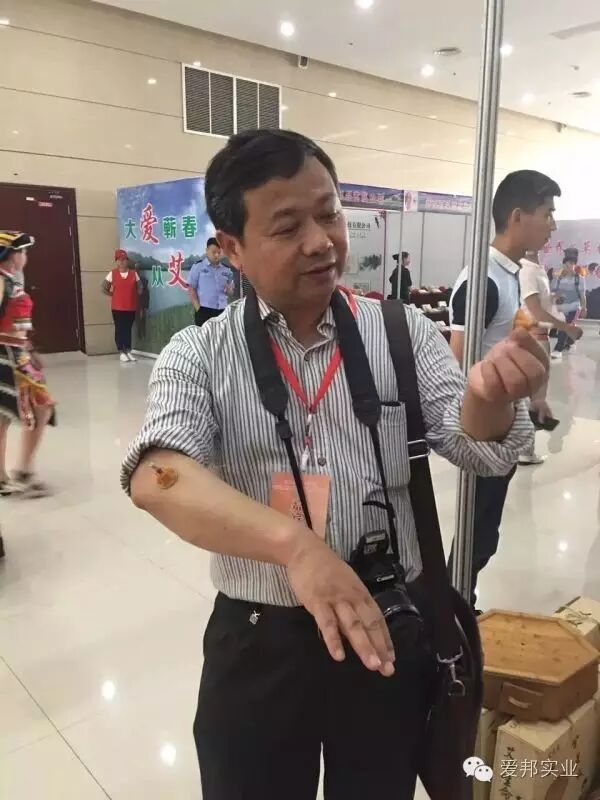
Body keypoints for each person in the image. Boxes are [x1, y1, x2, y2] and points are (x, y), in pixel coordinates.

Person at [122, 130, 542, 800]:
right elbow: (157, 477)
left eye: (330, 214)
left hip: (387, 624)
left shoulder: (401, 333)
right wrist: (296, 548)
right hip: (259, 640)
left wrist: (489, 397)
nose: (321, 241)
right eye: (288, 226)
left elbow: (478, 447)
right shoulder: (197, 355)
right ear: (232, 247)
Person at [449, 169, 560, 607]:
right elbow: (457, 364)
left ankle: (461, 601)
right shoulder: (484, 280)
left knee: (484, 532)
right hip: (482, 434)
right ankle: (454, 610)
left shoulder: (512, 274)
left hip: (504, 427)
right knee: (475, 532)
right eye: (546, 213)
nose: (552, 225)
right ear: (517, 216)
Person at [0, 231, 55, 497]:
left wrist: (28, 348)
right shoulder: (1, 281)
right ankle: (8, 477)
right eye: (22, 251)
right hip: (5, 355)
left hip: (17, 354)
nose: (25, 256)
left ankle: (22, 470)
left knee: (40, 407)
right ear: (11, 255)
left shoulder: (11, 280)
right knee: (4, 417)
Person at [517, 250, 582, 465]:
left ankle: (526, 447)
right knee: (534, 395)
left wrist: (551, 298)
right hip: (534, 334)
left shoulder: (536, 267)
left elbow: (537, 303)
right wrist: (567, 328)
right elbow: (535, 310)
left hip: (537, 334)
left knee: (534, 394)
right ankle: (525, 449)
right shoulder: (527, 269)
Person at [102, 249, 142, 362]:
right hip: (117, 308)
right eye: (120, 260)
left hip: (131, 307)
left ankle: (128, 350)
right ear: (117, 261)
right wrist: (113, 295)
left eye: (125, 259)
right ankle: (121, 351)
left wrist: (135, 294)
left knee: (128, 329)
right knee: (120, 329)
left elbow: (140, 287)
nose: (123, 262)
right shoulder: (112, 273)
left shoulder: (134, 273)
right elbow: (104, 288)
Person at [187, 237, 233, 326]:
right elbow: (191, 290)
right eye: (214, 252)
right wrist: (199, 310)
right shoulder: (198, 267)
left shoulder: (226, 270)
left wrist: (229, 290)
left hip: (223, 311)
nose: (217, 255)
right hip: (204, 311)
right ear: (207, 250)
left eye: (219, 252)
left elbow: (231, 291)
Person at [551, 252, 587, 359]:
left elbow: (582, 295)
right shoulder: (558, 278)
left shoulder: (579, 279)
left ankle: (558, 349)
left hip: (573, 307)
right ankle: (570, 341)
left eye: (571, 264)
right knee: (565, 327)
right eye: (566, 264)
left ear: (574, 265)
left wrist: (584, 308)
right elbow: (553, 292)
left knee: (564, 326)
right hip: (560, 308)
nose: (568, 266)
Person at [135, 263, 150, 340]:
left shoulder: (143, 280)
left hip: (141, 303)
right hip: (137, 303)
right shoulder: (133, 279)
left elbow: (146, 293)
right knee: (139, 320)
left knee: (141, 319)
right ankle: (141, 335)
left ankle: (142, 335)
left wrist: (145, 305)